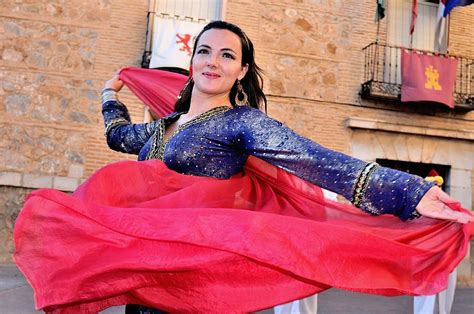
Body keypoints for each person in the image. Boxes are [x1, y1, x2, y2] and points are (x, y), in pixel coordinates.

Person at [14, 21, 473, 314]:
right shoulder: (160, 129)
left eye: (226, 55)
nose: (213, 61)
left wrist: (411, 192)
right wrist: (108, 95)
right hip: (147, 279)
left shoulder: (242, 122)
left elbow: (315, 160)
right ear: (191, 62)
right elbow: (118, 135)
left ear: (241, 70)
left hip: (201, 284)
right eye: (204, 51)